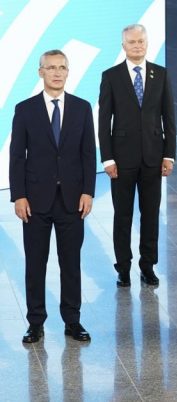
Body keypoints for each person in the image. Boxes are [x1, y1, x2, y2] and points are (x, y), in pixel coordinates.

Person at [9, 50, 96, 343]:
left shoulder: (82, 108)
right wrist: (19, 196)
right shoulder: (25, 109)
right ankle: (35, 323)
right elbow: (17, 156)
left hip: (72, 200)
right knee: (36, 264)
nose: (57, 73)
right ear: (41, 72)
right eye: (51, 68)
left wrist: (88, 191)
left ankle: (72, 321)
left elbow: (88, 154)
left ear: (68, 72)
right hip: (35, 201)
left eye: (62, 67)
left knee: (71, 263)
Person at [98, 24, 176, 287]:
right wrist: (107, 158)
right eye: (132, 42)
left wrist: (169, 155)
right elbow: (104, 121)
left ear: (147, 42)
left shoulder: (160, 74)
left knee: (151, 215)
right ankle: (123, 267)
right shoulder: (111, 76)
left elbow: (169, 117)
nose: (137, 46)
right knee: (122, 215)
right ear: (124, 46)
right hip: (121, 160)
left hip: (153, 157)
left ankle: (148, 266)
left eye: (141, 41)